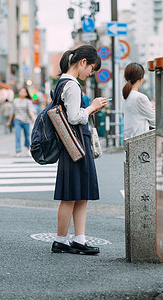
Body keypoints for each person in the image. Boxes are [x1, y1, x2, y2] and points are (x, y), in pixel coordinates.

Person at [51, 45, 107, 255]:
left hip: (72, 144)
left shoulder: (63, 82)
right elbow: (74, 117)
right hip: (75, 143)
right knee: (71, 194)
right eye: (92, 68)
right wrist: (92, 107)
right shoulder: (72, 85)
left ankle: (78, 239)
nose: (91, 74)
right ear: (83, 62)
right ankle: (61, 240)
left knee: (79, 193)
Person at [123, 62, 155, 138]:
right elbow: (154, 121)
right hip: (140, 141)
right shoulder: (140, 98)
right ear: (141, 78)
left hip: (129, 141)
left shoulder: (126, 95)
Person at [7, 87, 35, 157]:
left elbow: (31, 112)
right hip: (18, 120)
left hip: (26, 121)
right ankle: (18, 151)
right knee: (17, 136)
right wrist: (9, 122)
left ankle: (28, 149)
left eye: (24, 92)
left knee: (27, 136)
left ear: (26, 94)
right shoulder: (15, 101)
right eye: (21, 91)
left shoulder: (28, 101)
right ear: (19, 92)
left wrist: (34, 120)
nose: (22, 93)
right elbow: (12, 112)